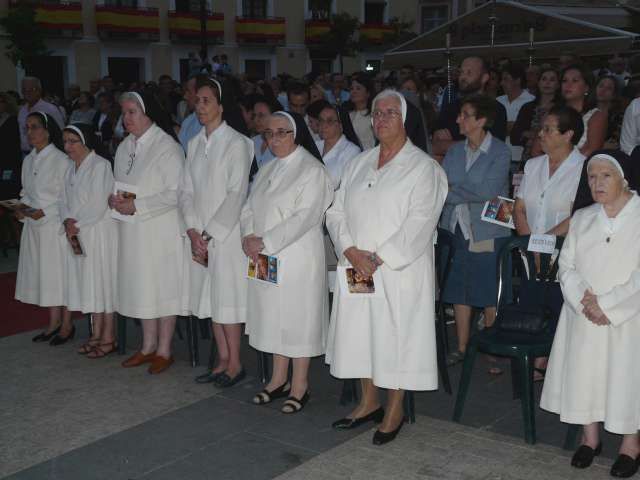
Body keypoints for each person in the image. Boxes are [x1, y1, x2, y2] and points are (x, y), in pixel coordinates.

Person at [325, 90, 448, 445]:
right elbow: (335, 211)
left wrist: (377, 259)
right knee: (362, 332)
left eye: (390, 113)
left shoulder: (425, 168)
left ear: (405, 119)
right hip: (357, 266)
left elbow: (420, 222)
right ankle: (368, 402)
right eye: (377, 113)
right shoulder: (358, 162)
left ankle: (394, 409)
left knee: (396, 337)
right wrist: (349, 250)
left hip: (397, 271)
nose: (381, 119)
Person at [540, 153, 640, 478]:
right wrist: (585, 302)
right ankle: (590, 438)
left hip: (628, 317)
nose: (597, 183)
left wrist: (608, 305)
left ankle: (630, 444)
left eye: (605, 176)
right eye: (592, 177)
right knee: (586, 373)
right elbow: (566, 266)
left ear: (623, 178)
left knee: (627, 377)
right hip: (583, 313)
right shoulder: (583, 218)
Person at [241, 111, 333, 414]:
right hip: (264, 256)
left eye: (282, 132)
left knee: (297, 319)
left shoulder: (312, 170)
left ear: (296, 134)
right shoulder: (267, 168)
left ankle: (300, 384)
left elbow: (305, 217)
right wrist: (248, 237)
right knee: (273, 316)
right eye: (269, 133)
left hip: (296, 257)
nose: (274, 138)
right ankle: (278, 379)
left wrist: (263, 241)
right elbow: (249, 207)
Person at [180, 78, 253, 387]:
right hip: (201, 237)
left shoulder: (238, 143)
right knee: (210, 299)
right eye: (197, 101)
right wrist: (193, 231)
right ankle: (221, 360)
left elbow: (236, 194)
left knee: (228, 299)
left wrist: (208, 235)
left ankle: (235, 363)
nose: (200, 106)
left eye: (207, 100)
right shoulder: (195, 143)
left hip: (226, 235)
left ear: (221, 106)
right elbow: (185, 191)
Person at [109, 92, 185, 375]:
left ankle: (164, 349)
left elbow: (175, 192)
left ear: (148, 113)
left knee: (162, 288)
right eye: (124, 112)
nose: (126, 118)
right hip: (133, 231)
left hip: (160, 230)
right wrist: (114, 199)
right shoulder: (125, 146)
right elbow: (121, 184)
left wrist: (137, 205)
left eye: (132, 112)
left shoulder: (167, 147)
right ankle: (147, 346)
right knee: (143, 288)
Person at [438, 94, 512, 369]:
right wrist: (459, 193)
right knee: (458, 288)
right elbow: (441, 185)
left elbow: (489, 191)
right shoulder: (455, 150)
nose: (458, 119)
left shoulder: (501, 151)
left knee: (488, 289)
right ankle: (461, 346)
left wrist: (454, 193)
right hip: (455, 225)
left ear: (481, 120)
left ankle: (492, 347)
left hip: (489, 228)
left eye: (465, 115)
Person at [60, 123, 118, 358]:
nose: (68, 146)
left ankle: (108, 337)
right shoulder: (69, 168)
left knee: (101, 284)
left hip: (97, 233)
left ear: (85, 141)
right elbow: (62, 199)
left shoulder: (100, 165)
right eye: (65, 141)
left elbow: (98, 203)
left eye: (73, 141)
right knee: (88, 284)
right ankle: (95, 334)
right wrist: (66, 221)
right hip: (78, 233)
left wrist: (77, 224)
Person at [15, 112, 73, 344]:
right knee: (45, 278)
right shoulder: (28, 160)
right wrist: (21, 208)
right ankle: (53, 322)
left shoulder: (61, 160)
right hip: (34, 226)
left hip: (54, 228)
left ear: (48, 131)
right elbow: (26, 192)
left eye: (35, 127)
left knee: (61, 276)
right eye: (27, 128)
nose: (30, 132)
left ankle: (67, 325)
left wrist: (45, 211)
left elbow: (66, 197)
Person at [514, 106, 585, 237]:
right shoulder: (532, 165)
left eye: (547, 129)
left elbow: (577, 216)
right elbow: (519, 209)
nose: (540, 134)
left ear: (568, 135)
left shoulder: (584, 168)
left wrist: (541, 245)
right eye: (542, 129)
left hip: (563, 250)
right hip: (528, 249)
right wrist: (528, 244)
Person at [432, 56, 508, 159]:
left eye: (469, 73)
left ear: (484, 78)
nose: (463, 77)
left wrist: (449, 144)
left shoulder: (496, 109)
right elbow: (436, 146)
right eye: (461, 72)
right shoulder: (450, 108)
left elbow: (491, 149)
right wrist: (472, 143)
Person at [511, 67, 561, 163]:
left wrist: (530, 134)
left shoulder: (562, 108)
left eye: (552, 80)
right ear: (538, 83)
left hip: (554, 158)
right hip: (527, 158)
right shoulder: (528, 107)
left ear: (558, 85)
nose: (547, 83)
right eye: (544, 79)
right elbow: (515, 137)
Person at [561, 64, 607, 158]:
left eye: (575, 81)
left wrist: (562, 166)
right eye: (564, 81)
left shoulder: (596, 116)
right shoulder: (552, 113)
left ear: (586, 87)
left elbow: (591, 151)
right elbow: (536, 150)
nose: (568, 85)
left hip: (578, 168)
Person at [497, 62, 536, 165]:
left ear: (517, 80)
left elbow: (528, 130)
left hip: (520, 158)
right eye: (501, 79)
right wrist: (515, 127)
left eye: (506, 79)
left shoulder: (531, 101)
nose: (502, 83)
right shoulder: (497, 101)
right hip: (498, 157)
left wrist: (511, 128)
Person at [315, 104, 361, 189]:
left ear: (341, 125)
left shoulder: (352, 151)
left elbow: (337, 183)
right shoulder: (315, 145)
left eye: (330, 121)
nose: (324, 125)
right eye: (321, 120)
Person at [18, 77, 65, 154]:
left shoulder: (50, 109)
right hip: (26, 154)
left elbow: (60, 133)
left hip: (46, 153)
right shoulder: (22, 110)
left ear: (39, 90)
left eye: (32, 89)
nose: (28, 92)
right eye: (24, 90)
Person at [0, 92, 22, 200]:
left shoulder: (13, 120)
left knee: (8, 191)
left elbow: (14, 144)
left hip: (9, 162)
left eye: (1, 102)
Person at [347, 73, 376, 150]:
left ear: (368, 93)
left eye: (358, 88)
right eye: (351, 89)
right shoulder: (347, 114)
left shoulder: (374, 115)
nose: (354, 91)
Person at [595, 75, 624, 150]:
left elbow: (613, 144)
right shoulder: (586, 111)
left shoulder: (619, 117)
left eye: (609, 88)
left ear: (614, 94)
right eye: (601, 86)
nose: (603, 90)